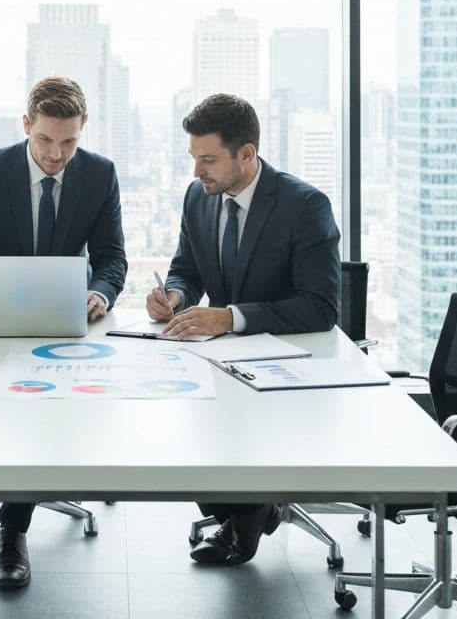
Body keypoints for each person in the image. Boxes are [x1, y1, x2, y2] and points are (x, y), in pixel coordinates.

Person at [145, 92, 340, 567]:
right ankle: (250, 508)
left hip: (286, 366)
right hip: (217, 360)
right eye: (193, 158)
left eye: (208, 160)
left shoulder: (304, 205)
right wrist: (174, 297)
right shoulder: (199, 197)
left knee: (234, 435)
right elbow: (186, 270)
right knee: (185, 432)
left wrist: (231, 316)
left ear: (247, 154)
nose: (197, 172)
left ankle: (245, 522)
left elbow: (320, 307)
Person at [0, 75, 127, 589]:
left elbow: (112, 257)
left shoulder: (98, 175)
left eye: (70, 141)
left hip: (66, 326)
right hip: (1, 327)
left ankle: (18, 516)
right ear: (26, 125)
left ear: (83, 130)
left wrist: (100, 293)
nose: (57, 154)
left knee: (45, 412)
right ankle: (13, 531)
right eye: (47, 140)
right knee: (19, 414)